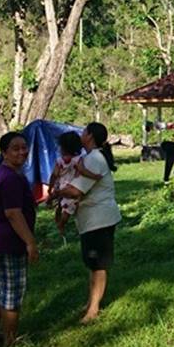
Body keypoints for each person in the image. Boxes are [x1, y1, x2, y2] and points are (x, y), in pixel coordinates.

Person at [0, 132, 39, 347]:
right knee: (12, 294)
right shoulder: (10, 177)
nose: (22, 151)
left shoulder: (5, 172)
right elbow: (13, 213)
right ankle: (10, 343)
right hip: (7, 244)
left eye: (24, 147)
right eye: (15, 148)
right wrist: (30, 242)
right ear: (4, 153)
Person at [58, 122, 121, 324]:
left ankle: (93, 310)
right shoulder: (90, 157)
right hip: (93, 219)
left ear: (90, 136)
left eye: (84, 131)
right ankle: (91, 302)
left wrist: (54, 194)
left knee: (98, 265)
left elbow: (76, 191)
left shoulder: (94, 158)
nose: (81, 134)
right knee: (92, 263)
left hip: (99, 219)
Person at [47, 131, 102, 237]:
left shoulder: (59, 161)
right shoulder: (78, 160)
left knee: (59, 204)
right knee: (68, 209)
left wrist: (50, 188)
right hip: (71, 187)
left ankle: (56, 214)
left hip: (60, 186)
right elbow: (82, 171)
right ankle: (62, 224)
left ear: (62, 147)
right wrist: (94, 176)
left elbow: (54, 175)